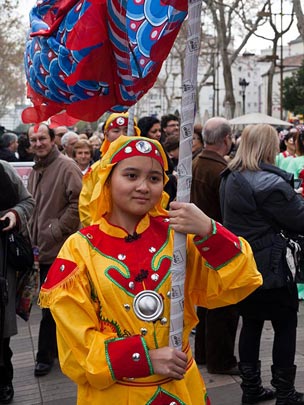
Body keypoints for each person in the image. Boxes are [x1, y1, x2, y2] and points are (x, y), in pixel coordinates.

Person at [38, 135, 262, 405]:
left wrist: (209, 230)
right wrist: (144, 357)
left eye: (154, 179)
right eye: (131, 175)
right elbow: (76, 347)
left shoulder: (178, 236)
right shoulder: (79, 249)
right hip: (115, 393)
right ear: (108, 179)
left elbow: (241, 280)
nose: (143, 187)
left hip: (180, 389)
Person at [220, 124, 304, 405]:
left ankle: (251, 389)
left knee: (252, 323)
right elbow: (298, 218)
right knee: (285, 325)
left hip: (243, 263)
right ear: (268, 146)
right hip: (272, 264)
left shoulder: (231, 176)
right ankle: (285, 392)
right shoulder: (268, 183)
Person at [27, 123, 82, 377]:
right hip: (42, 248)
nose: (38, 143)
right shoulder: (38, 168)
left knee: (49, 304)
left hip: (60, 247)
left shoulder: (66, 166)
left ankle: (44, 356)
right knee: (51, 303)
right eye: (34, 139)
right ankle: (57, 351)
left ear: (52, 140)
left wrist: (55, 230)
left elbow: (78, 202)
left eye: (42, 138)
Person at [191, 117, 239, 375]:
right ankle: (221, 359)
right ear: (226, 140)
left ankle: (204, 353)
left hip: (200, 242)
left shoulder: (198, 162)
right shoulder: (220, 170)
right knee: (222, 305)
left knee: (207, 304)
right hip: (217, 242)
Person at [0, 160, 35, 403]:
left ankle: (3, 381)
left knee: (1, 334)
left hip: (1, 262)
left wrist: (14, 214)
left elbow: (28, 202)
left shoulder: (3, 169)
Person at [79, 112, 140, 226]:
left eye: (127, 130)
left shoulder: (146, 166)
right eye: (116, 131)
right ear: (106, 134)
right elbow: (85, 206)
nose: (122, 135)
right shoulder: (96, 169)